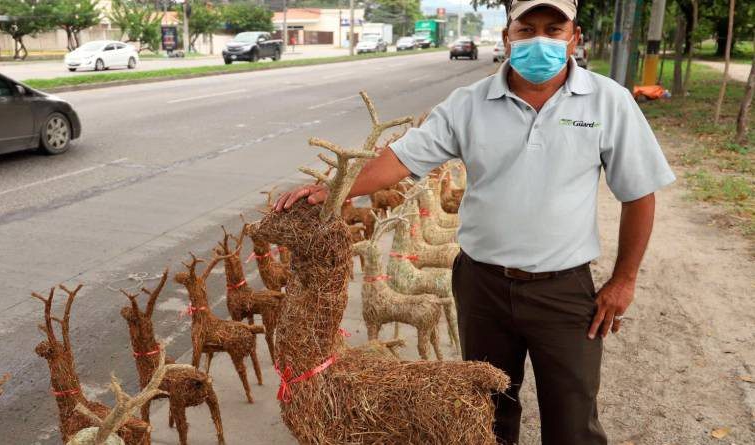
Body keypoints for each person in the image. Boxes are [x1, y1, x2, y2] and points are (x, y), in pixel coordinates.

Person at [272, 0, 675, 443]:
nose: (539, 40)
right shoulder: (469, 104)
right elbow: (402, 158)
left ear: (574, 38)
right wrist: (335, 187)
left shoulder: (608, 101)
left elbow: (639, 193)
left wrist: (624, 280)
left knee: (573, 418)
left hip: (563, 291)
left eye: (553, 30)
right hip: (482, 287)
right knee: (486, 412)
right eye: (527, 30)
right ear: (507, 37)